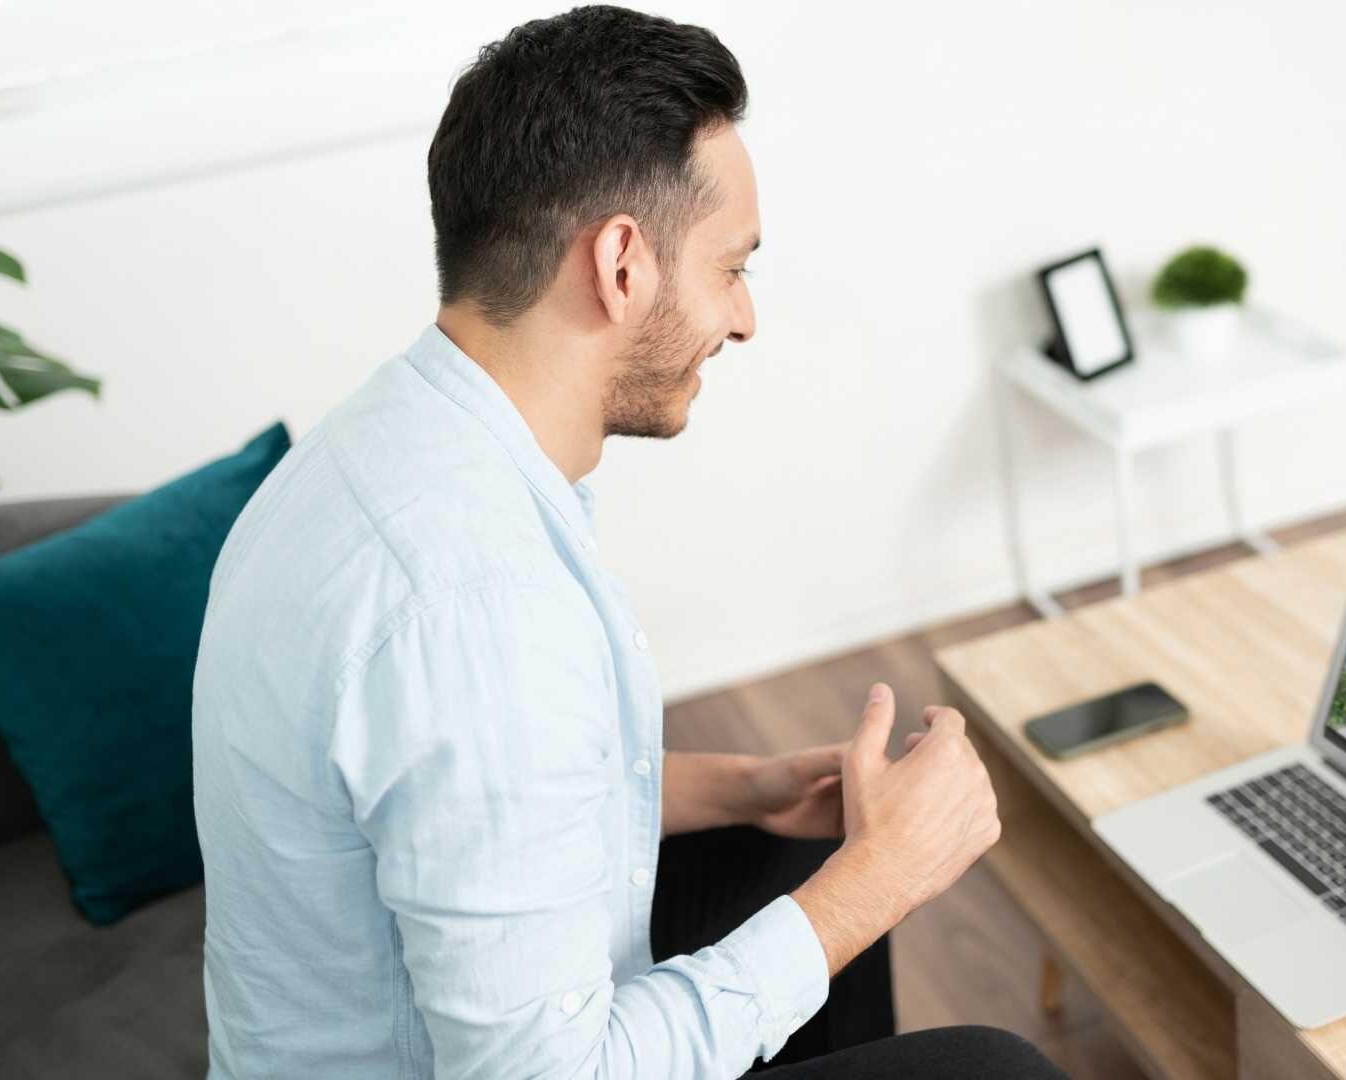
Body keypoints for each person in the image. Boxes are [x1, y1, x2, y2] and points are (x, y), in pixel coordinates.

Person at [190, 9, 1062, 1079]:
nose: (743, 319)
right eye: (731, 268)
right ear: (620, 264)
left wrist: (747, 787)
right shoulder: (478, 607)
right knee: (995, 1067)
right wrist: (885, 875)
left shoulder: (375, 447)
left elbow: (467, 804)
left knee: (795, 854)